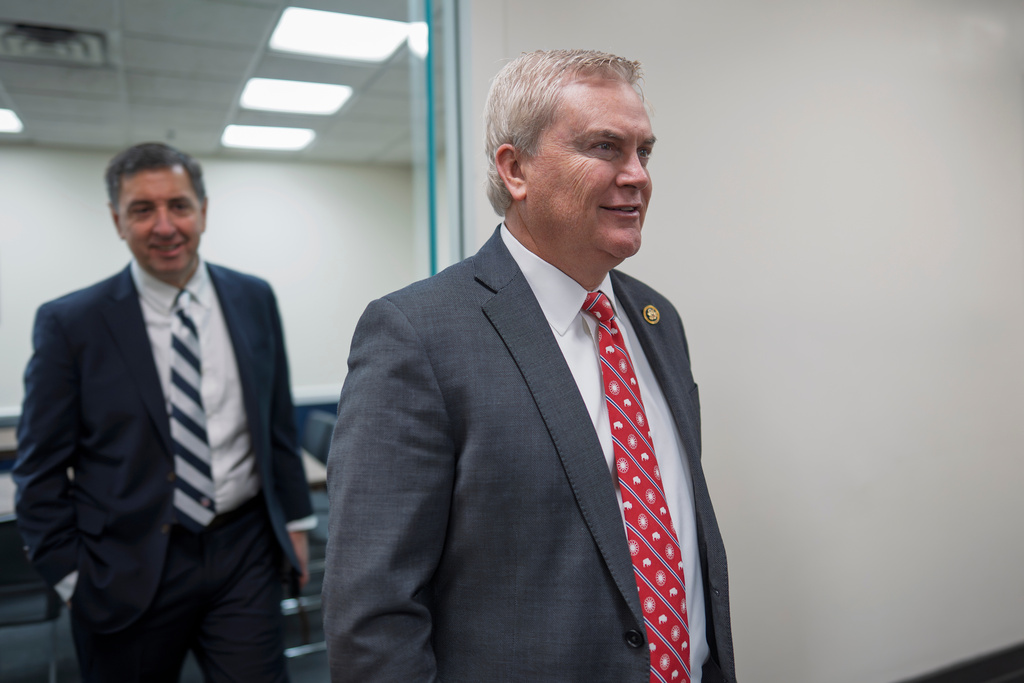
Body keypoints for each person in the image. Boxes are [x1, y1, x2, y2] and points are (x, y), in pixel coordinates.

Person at [322, 49, 735, 683]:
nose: (637, 176)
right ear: (516, 169)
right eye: (605, 147)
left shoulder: (658, 320)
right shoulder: (418, 335)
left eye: (644, 151)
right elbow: (374, 615)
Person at [14, 142, 315, 682]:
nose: (164, 225)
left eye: (178, 205)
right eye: (141, 209)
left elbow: (274, 426)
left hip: (244, 552)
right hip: (123, 567)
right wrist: (70, 577)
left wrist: (294, 524)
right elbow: (38, 473)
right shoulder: (71, 325)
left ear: (203, 210)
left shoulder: (253, 298)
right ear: (116, 221)